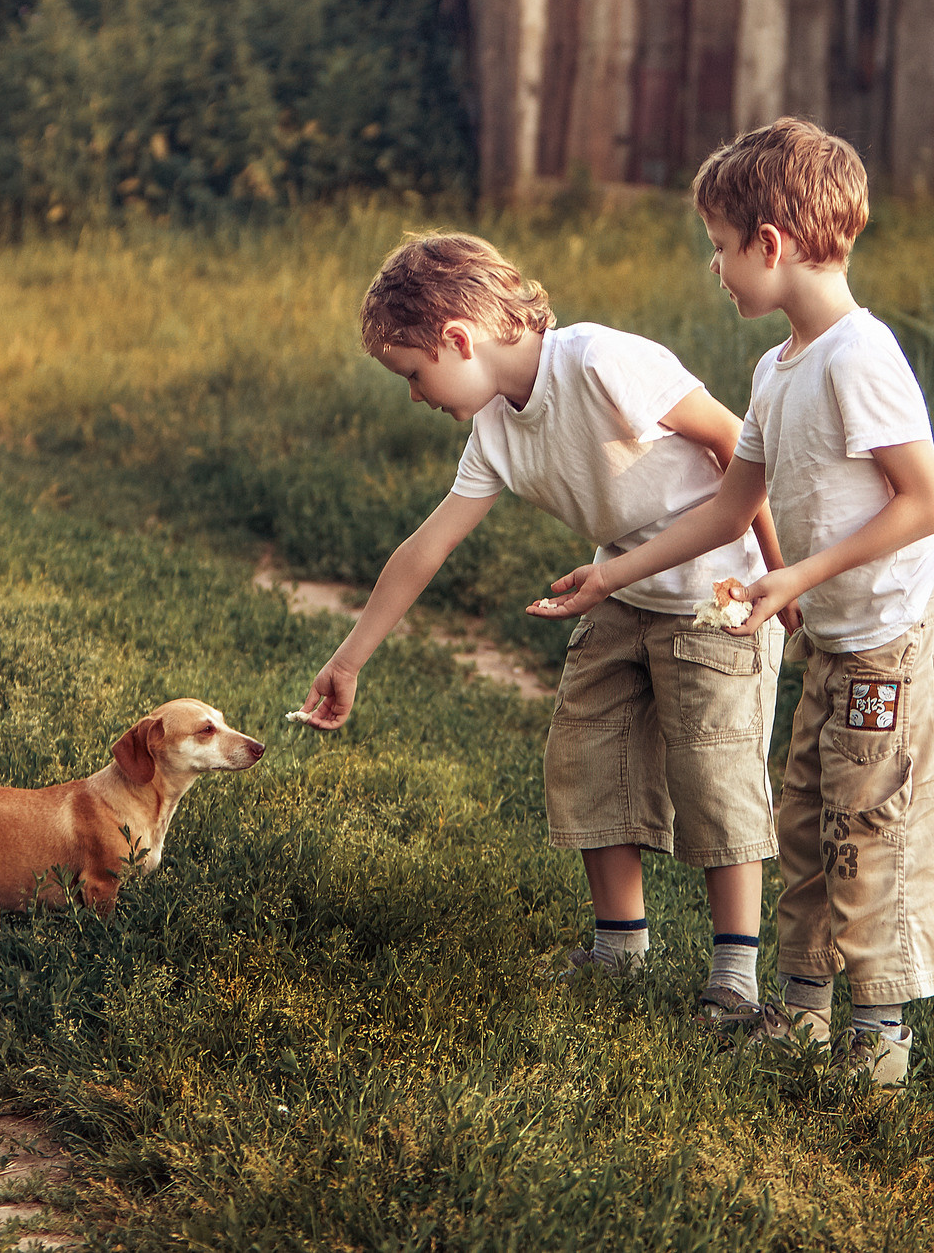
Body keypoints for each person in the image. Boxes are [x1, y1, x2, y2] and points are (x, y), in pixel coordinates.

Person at [529, 120, 934, 1086]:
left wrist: (798, 578)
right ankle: (802, 1017)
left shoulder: (859, 355)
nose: (716, 267)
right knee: (805, 812)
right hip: (840, 639)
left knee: (871, 818)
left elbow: (927, 502)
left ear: (771, 243)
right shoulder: (777, 369)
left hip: (896, 635)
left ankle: (879, 1039)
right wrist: (610, 575)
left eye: (723, 246)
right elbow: (733, 501)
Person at [294, 231, 792, 1021]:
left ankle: (735, 975)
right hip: (619, 588)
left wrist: (778, 573)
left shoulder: (597, 361)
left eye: (415, 375)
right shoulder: (493, 430)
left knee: (714, 768)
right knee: (586, 747)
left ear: (459, 337)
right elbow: (425, 547)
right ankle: (619, 946)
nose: (417, 396)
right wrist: (350, 658)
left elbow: (737, 443)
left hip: (717, 589)